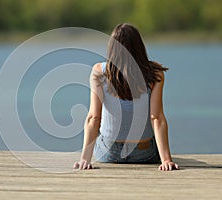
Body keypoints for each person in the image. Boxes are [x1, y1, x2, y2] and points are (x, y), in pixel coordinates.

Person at [73, 23, 179, 171]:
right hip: (144, 153)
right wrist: (166, 160)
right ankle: (163, 155)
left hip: (109, 154)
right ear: (139, 47)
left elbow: (94, 118)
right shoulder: (155, 73)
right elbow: (157, 118)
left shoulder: (98, 72)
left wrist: (85, 159)